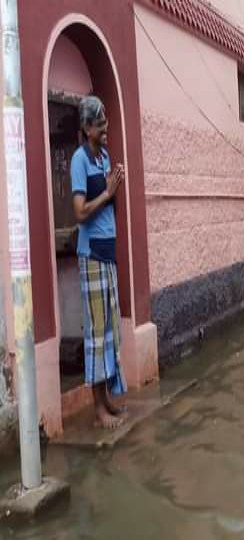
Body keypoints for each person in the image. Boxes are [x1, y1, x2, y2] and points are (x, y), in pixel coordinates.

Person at [71, 95, 127, 429]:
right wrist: (107, 192)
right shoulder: (79, 160)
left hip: (108, 254)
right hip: (91, 255)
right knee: (95, 333)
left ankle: (106, 398)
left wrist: (114, 184)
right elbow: (79, 211)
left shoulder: (103, 156)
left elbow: (109, 198)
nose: (106, 128)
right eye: (101, 123)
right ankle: (97, 410)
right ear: (87, 127)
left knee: (109, 331)